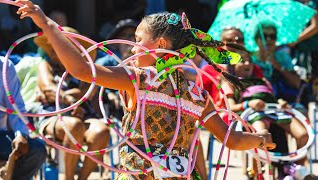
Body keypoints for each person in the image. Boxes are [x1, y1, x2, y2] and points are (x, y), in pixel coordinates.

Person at [16, 2, 276, 179]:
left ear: (159, 44)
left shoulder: (139, 79)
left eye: (138, 40)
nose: (132, 48)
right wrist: (261, 138)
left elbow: (82, 70)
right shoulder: (196, 94)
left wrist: (48, 26)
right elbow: (232, 140)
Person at [33, 26, 110, 180]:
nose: (56, 52)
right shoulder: (45, 65)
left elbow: (87, 91)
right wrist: (71, 99)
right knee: (74, 126)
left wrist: (67, 95)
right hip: (52, 116)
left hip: (83, 115)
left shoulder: (88, 69)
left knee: (102, 131)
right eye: (54, 47)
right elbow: (48, 88)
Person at [223, 50, 310, 178]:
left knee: (303, 135)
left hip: (275, 110)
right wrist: (248, 104)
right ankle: (258, 173)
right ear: (233, 66)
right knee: (261, 136)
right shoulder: (229, 83)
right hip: (253, 113)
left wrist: (281, 103)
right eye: (242, 61)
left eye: (250, 61)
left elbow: (274, 97)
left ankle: (294, 170)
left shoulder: (262, 80)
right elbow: (230, 107)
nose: (248, 64)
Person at [0, 55, 47, 180]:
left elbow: (16, 105)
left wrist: (21, 134)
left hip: (0, 137)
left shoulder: (5, 66)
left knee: (36, 150)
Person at [252, 22, 303, 104]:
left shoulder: (283, 57)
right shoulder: (251, 60)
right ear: (256, 40)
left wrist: (277, 65)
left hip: (287, 102)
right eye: (264, 36)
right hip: (260, 102)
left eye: (272, 36)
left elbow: (297, 83)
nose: (269, 40)